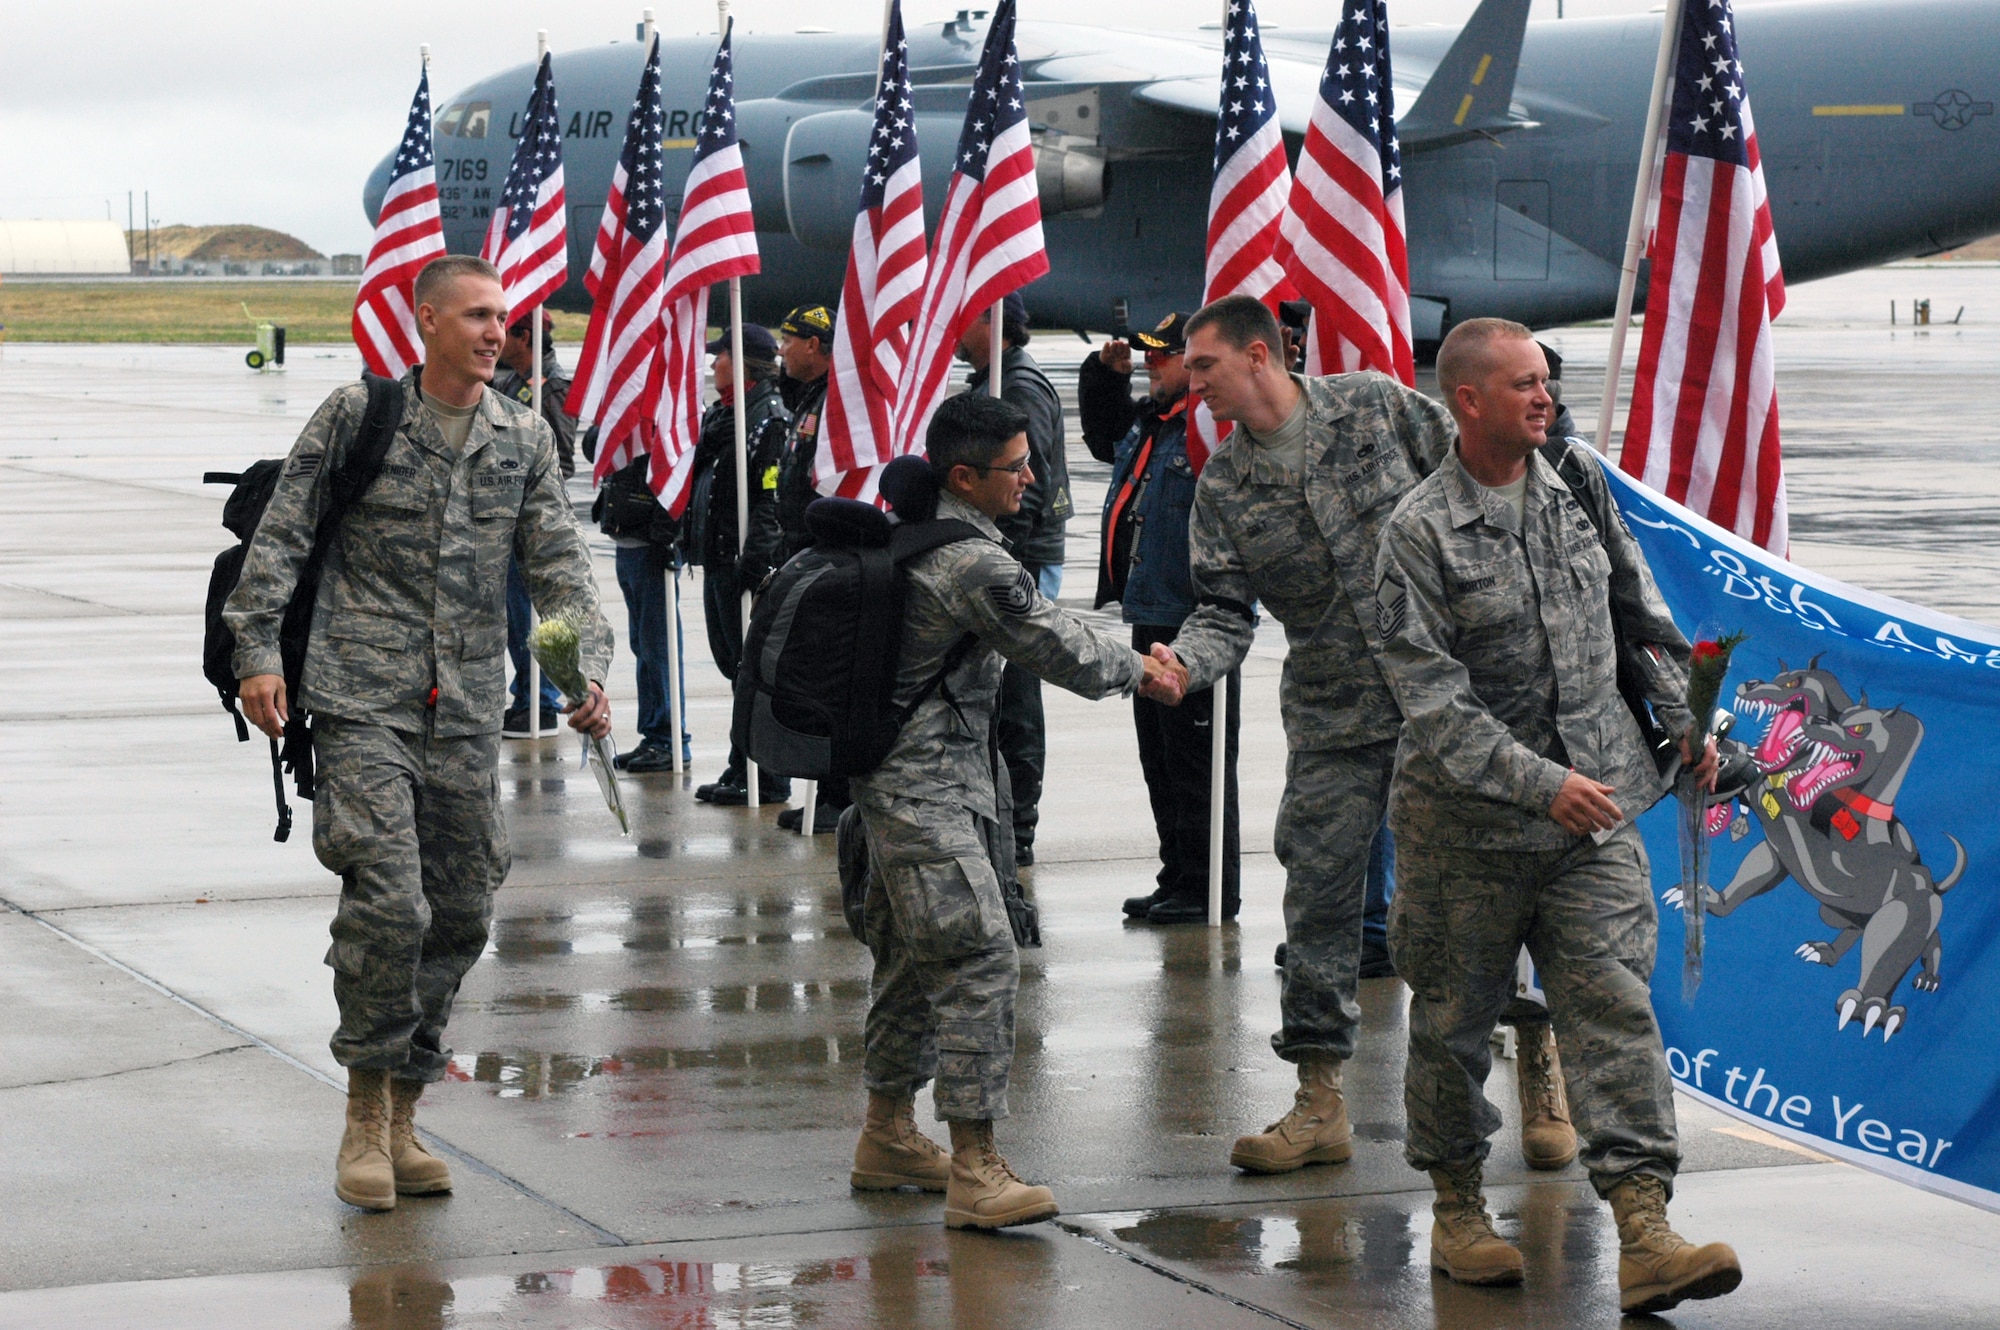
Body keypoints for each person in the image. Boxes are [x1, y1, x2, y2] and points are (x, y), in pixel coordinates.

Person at [225, 254, 614, 1212]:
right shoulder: (358, 417)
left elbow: (560, 568)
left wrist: (585, 669)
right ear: (426, 319)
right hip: (362, 695)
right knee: (390, 901)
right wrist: (257, 654)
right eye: (478, 316)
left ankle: (405, 1107)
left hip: (468, 706)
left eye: (503, 318)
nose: (496, 333)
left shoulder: (524, 437)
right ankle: (362, 1114)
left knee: (463, 909)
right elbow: (283, 538)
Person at [1372, 317, 1739, 1313]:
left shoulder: (1575, 484)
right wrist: (1539, 782)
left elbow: (1643, 620)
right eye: (1522, 383)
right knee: (1450, 1028)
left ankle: (1644, 1225)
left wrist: (1683, 727)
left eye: (1546, 379)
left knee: (1613, 1008)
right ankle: (1454, 1207)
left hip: (1595, 817)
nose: (1542, 396)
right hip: (1466, 834)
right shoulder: (1415, 531)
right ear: (1468, 401)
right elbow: (1432, 702)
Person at [1147, 294, 1456, 1176]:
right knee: (1318, 902)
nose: (1191, 382)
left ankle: (1541, 1069)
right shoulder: (1227, 485)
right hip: (1336, 711)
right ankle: (1319, 1101)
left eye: (1202, 365)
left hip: (1451, 699)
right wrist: (1187, 665)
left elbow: (1479, 481)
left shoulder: (1376, 407)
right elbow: (1221, 609)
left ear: (1256, 355)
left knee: (1489, 887)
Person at [848, 392, 1173, 1230]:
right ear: (965, 476)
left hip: (897, 788)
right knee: (978, 960)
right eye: (1016, 468)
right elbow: (1057, 648)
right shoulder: (974, 565)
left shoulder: (923, 534)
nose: (1033, 478)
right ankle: (975, 1167)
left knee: (912, 963)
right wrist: (1146, 669)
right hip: (926, 796)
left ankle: (886, 1135)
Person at [1077, 311, 1240, 924]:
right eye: (1146, 357)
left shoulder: (1208, 431)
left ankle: (1207, 888)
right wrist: (1103, 376)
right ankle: (1177, 875)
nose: (1151, 366)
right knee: (1161, 761)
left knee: (1199, 765)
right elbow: (1103, 437)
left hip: (1196, 621)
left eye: (1161, 357)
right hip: (1150, 610)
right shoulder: (1156, 424)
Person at [958, 291, 1073, 866]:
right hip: (1008, 555)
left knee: (1016, 696)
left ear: (991, 321)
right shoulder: (994, 380)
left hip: (1018, 558)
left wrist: (1001, 562)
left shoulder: (1018, 385)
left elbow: (1028, 485)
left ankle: (1018, 829)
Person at [687, 324, 791, 800]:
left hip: (742, 564)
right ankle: (739, 765)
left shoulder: (768, 419)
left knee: (752, 672)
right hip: (718, 557)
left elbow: (770, 499)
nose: (712, 364)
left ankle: (764, 775)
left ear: (745, 363)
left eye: (721, 355)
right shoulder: (723, 417)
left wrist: (755, 567)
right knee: (735, 668)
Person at [766, 302, 847, 831]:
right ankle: (823, 795)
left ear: (815, 346)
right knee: (810, 682)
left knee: (831, 683)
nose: (781, 350)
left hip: (828, 561)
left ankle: (837, 798)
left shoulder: (837, 404)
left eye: (789, 340)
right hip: (801, 551)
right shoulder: (808, 397)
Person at [494, 308, 576, 736]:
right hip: (505, 519)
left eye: (504, 332)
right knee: (513, 617)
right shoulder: (508, 383)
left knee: (531, 617)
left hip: (534, 521)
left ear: (525, 336)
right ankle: (526, 694)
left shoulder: (553, 388)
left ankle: (541, 700)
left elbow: (562, 459)